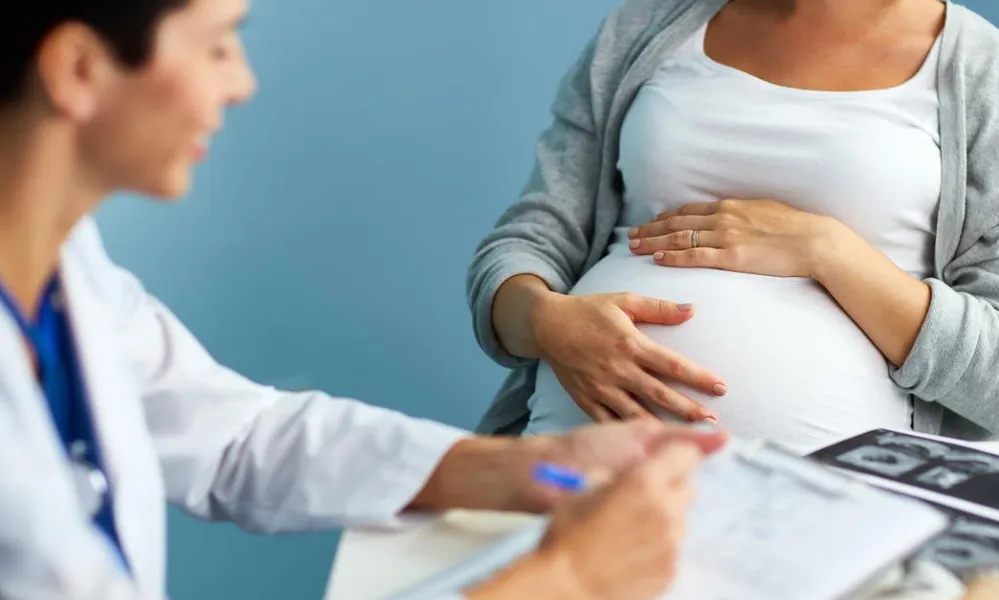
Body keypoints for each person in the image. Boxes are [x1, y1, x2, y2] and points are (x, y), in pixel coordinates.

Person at [0, 2, 731, 599]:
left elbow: (238, 441)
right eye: (219, 45)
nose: (242, 82)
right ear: (79, 69)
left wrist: (539, 467)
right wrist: (565, 579)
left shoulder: (70, 281)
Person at [468, 0, 999, 448]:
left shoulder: (995, 79)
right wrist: (547, 322)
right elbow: (528, 241)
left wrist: (826, 249)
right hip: (569, 495)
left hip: (840, 528)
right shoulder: (644, 31)